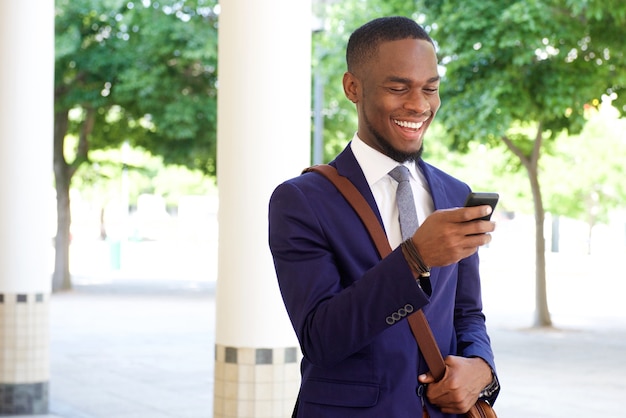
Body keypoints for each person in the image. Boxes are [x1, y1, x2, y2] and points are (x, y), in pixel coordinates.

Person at [268, 16, 500, 418]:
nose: (419, 105)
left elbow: (467, 314)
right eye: (398, 88)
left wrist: (482, 368)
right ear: (352, 87)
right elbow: (321, 339)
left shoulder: (454, 193)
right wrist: (414, 258)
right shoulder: (301, 201)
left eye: (431, 88)